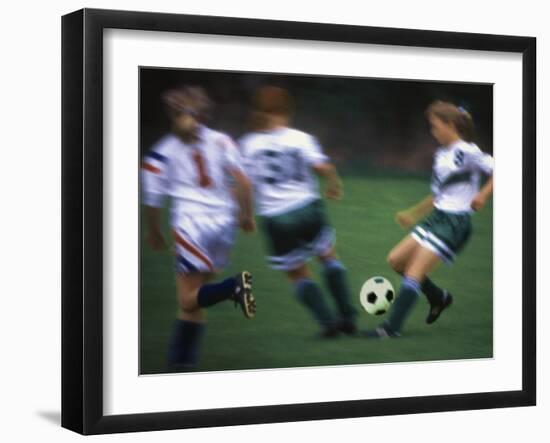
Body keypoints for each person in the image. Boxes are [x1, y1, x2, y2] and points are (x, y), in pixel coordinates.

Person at [141, 85, 257, 369]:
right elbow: (243, 182)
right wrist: (246, 216)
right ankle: (182, 365)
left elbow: (153, 200)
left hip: (191, 225)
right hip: (224, 224)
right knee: (192, 302)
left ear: (171, 115)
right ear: (204, 114)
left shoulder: (160, 154)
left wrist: (153, 231)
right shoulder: (222, 141)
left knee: (187, 297)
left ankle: (234, 287)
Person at [366, 100, 494, 338]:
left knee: (414, 271)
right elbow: (439, 194)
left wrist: (483, 195)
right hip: (437, 218)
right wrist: (413, 213)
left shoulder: (467, 151)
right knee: (396, 261)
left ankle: (390, 329)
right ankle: (438, 297)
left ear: (451, 124)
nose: (432, 131)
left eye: (435, 126)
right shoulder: (441, 155)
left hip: (455, 223)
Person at [239, 85, 357, 337]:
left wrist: (246, 215)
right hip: (307, 208)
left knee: (297, 273)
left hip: (276, 217)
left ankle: (328, 323)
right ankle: (347, 316)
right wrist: (335, 183)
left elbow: (245, 185)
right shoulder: (300, 138)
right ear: (287, 111)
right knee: (328, 257)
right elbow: (322, 167)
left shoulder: (248, 144)